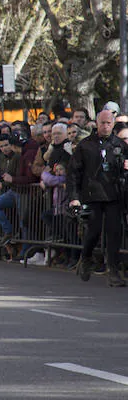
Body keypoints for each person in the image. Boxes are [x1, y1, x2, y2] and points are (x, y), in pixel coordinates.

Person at [68, 109, 128, 286]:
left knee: (114, 233)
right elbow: (73, 173)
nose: (106, 126)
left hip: (114, 195)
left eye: (109, 123)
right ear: (96, 123)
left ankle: (113, 270)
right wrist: (74, 197)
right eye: (102, 122)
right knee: (93, 232)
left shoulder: (120, 145)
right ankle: (86, 257)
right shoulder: (85, 145)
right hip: (92, 195)